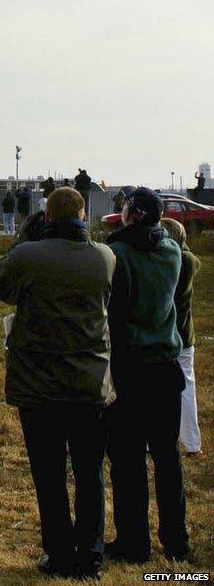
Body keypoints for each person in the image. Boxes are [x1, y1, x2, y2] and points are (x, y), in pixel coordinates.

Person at [0, 187, 115, 578]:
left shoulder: (29, 256)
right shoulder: (104, 257)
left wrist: (24, 241)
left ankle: (58, 551)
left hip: (39, 383)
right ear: (83, 214)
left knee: (49, 474)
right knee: (90, 473)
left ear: (47, 218)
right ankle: (91, 553)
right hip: (89, 381)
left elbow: (1, 286)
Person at [105, 187, 188, 563]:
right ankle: (176, 541)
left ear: (133, 214)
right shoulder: (171, 251)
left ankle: (134, 542)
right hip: (166, 367)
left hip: (131, 366)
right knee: (167, 459)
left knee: (128, 459)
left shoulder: (119, 254)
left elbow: (116, 305)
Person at [160, 218, 202, 457]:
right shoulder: (191, 261)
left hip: (168, 334)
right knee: (187, 388)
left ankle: (149, 439)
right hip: (185, 335)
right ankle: (192, 442)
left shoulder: (172, 261)